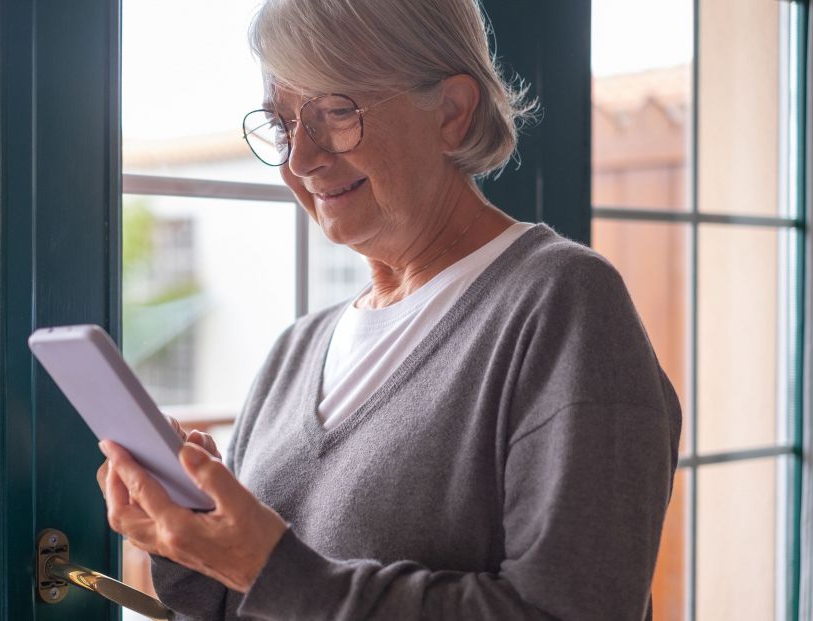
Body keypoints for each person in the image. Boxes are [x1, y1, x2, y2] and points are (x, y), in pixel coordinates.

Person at [97, 0, 682, 618]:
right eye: (282, 124)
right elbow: (245, 603)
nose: (301, 158)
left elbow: (572, 612)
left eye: (336, 113)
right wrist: (190, 541)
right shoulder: (298, 350)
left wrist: (272, 568)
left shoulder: (562, 303)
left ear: (452, 114)